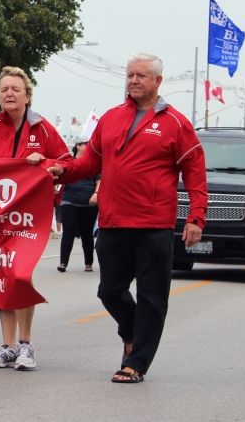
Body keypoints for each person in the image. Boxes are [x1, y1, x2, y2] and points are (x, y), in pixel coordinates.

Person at [48, 52, 207, 383]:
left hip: (153, 225)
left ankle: (136, 362)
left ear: (158, 82)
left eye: (141, 76)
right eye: (130, 75)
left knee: (151, 297)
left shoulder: (176, 123)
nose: (133, 81)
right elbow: (90, 162)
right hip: (113, 222)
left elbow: (195, 173)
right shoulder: (111, 118)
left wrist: (196, 217)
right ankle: (133, 331)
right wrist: (63, 171)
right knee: (109, 291)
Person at [0, 66, 70, 371]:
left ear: (28, 95)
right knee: (3, 276)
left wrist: (46, 162)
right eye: (3, 90)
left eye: (15, 89)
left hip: (29, 219)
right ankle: (8, 345)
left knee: (20, 275)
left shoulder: (44, 129)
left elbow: (66, 163)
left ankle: (26, 344)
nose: (9, 94)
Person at [57, 140, 100, 272]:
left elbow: (99, 180)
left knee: (87, 233)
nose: (87, 147)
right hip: (69, 201)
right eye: (85, 144)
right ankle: (63, 263)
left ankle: (88, 263)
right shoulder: (69, 162)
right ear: (78, 146)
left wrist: (96, 193)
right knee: (68, 232)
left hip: (89, 202)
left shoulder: (94, 163)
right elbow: (60, 174)